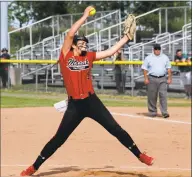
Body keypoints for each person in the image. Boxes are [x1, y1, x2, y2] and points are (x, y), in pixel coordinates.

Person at [20, 6, 154, 176]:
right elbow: (70, 34)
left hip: (92, 102)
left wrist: (126, 38)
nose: (84, 44)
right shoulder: (65, 56)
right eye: (81, 42)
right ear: (74, 45)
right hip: (75, 106)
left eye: (85, 42)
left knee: (115, 129)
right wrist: (84, 16)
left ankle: (140, 155)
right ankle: (34, 167)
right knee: (59, 139)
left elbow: (111, 51)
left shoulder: (88, 56)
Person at [141, 44, 172, 118]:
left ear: (160, 50)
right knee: (152, 96)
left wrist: (169, 78)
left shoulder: (165, 57)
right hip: (152, 78)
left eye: (158, 49)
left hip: (162, 78)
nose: (157, 51)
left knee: (163, 95)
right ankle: (152, 112)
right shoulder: (149, 58)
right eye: (156, 49)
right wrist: (146, 78)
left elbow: (169, 69)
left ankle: (164, 112)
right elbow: (144, 69)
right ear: (153, 50)